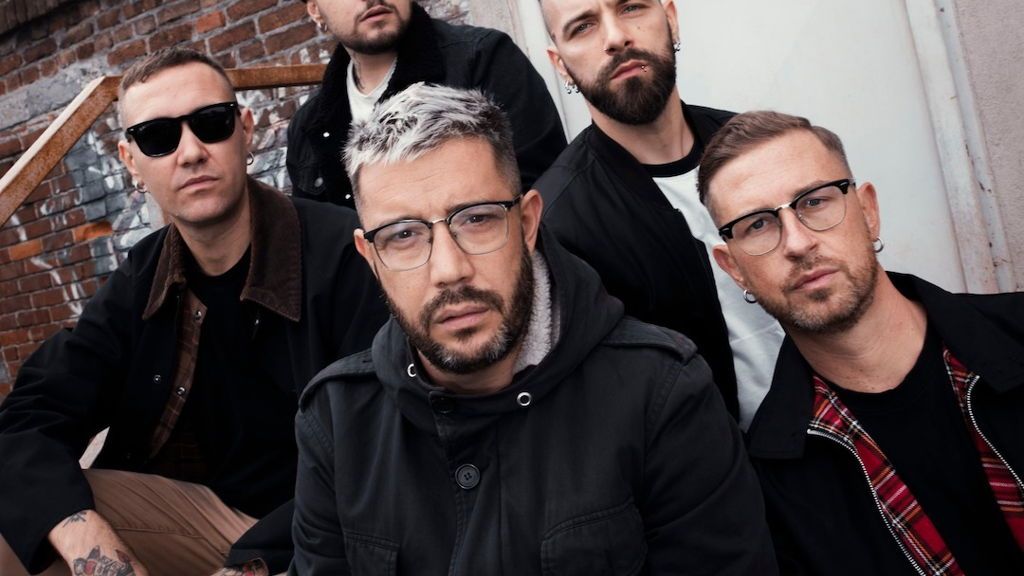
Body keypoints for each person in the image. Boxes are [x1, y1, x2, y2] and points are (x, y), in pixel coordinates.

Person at [289, 83, 775, 574]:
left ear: (526, 223)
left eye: (476, 219)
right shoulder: (335, 421)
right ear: (371, 257)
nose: (449, 270)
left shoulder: (663, 395)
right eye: (404, 235)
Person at [0, 48, 388, 576]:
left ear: (245, 130)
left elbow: (380, 452)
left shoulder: (343, 253)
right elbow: (31, 415)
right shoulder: (145, 276)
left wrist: (252, 565)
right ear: (130, 161)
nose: (190, 153)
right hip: (202, 522)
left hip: (324, 529)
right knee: (32, 513)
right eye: (158, 136)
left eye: (211, 123)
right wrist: (95, 551)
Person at [698, 110, 1024, 575]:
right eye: (758, 224)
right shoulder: (771, 492)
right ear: (734, 269)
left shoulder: (1016, 332)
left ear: (868, 212)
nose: (797, 243)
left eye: (814, 201)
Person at [534, 0, 784, 428]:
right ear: (561, 66)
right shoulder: (559, 226)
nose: (616, 38)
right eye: (583, 27)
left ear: (670, 18)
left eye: (632, 7)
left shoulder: (764, 150)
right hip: (719, 462)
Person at [288, 0, 566, 208]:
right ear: (315, 10)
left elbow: (546, 194)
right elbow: (319, 243)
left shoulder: (483, 60)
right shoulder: (308, 126)